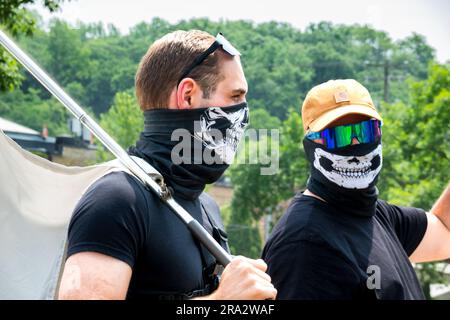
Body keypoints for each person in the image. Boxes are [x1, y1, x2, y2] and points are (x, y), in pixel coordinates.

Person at [58, 30, 277, 300]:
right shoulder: (117, 199)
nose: (244, 114)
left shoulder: (206, 206)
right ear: (187, 95)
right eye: (235, 97)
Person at [262, 79, 450, 300]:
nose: (354, 144)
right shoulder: (304, 246)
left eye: (365, 131)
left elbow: (445, 232)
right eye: (338, 136)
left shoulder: (377, 214)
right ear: (310, 146)